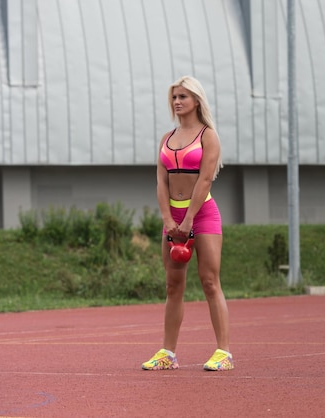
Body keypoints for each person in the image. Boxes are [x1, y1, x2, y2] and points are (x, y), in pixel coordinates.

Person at [141, 75, 233, 371]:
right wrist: (169, 220)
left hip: (202, 214)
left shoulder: (209, 136)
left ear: (196, 100)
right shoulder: (166, 139)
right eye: (174, 98)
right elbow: (160, 182)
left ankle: (223, 353)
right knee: (172, 285)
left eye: (182, 97)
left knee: (209, 281)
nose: (177, 102)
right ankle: (168, 353)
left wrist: (189, 219)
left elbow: (205, 180)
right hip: (173, 219)